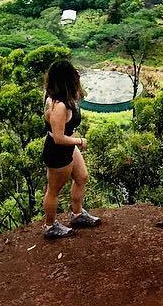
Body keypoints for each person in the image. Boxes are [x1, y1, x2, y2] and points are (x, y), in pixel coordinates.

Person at [41, 59, 100, 238]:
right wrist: (79, 141)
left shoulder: (62, 97)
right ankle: (49, 226)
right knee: (53, 190)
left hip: (68, 146)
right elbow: (58, 138)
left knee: (82, 177)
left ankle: (77, 214)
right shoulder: (59, 106)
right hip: (58, 151)